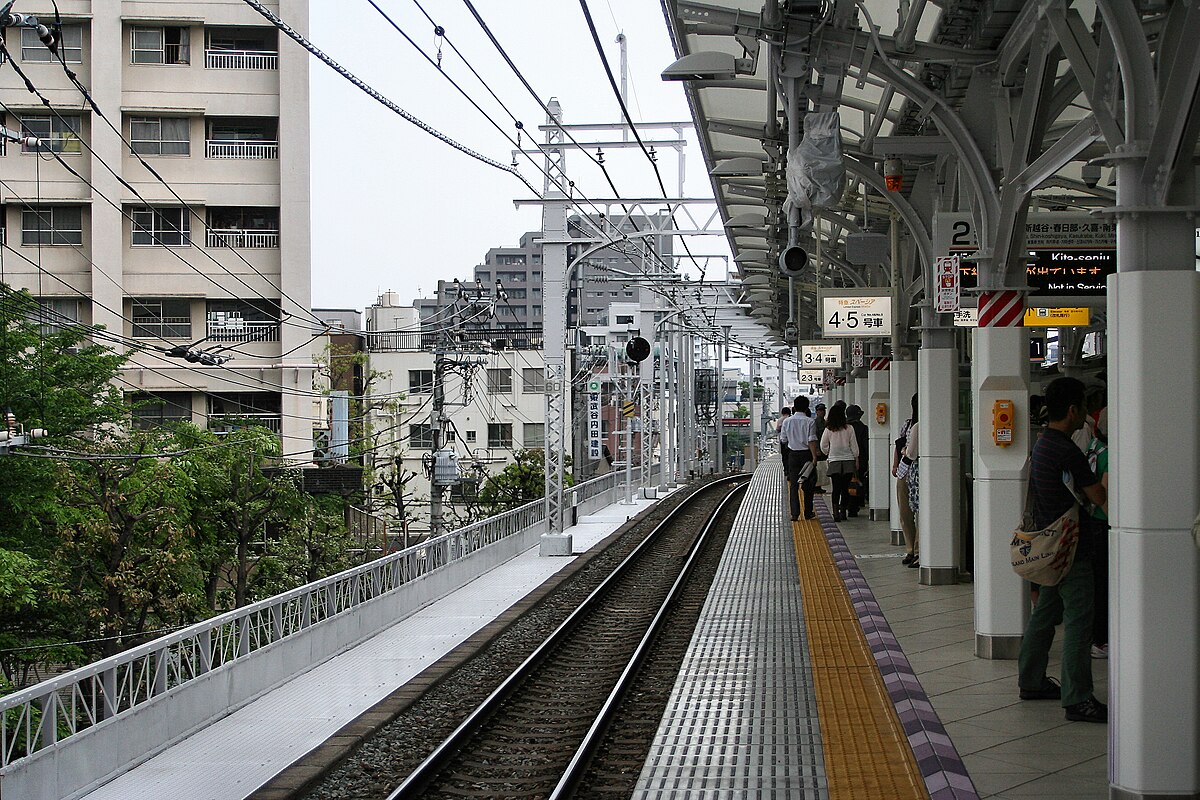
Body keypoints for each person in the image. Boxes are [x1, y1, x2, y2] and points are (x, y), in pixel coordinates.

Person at [1017, 376, 1108, 724]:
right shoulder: (1068, 450)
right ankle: (1078, 697)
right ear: (1073, 410)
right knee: (1080, 621)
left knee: (1044, 615)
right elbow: (1098, 497)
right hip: (1072, 548)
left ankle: (1031, 680)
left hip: (1048, 545)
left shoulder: (1043, 444)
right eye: (1084, 406)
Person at [1084, 407, 1110, 659]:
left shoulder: (1094, 446)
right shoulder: (1110, 455)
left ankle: (1096, 637)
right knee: (1104, 586)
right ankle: (1101, 640)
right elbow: (1105, 495)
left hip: (1092, 521)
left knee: (1097, 585)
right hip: (1103, 524)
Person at [780, 396, 819, 521]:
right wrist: (814, 457)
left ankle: (795, 514)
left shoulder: (787, 421)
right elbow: (811, 440)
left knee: (793, 485)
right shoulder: (810, 422)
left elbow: (783, 439)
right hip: (806, 455)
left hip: (793, 455)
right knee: (808, 485)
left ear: (795, 407)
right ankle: (808, 512)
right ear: (807, 407)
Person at [821, 404, 859, 522]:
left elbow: (823, 445)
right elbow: (854, 446)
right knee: (845, 488)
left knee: (836, 488)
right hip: (848, 461)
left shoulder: (828, 429)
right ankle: (843, 512)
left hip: (834, 461)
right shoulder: (849, 428)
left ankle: (835, 513)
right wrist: (856, 457)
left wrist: (829, 453)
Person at [892, 393, 919, 567]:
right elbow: (899, 445)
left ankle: (919, 551)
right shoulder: (908, 424)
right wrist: (895, 465)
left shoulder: (922, 425)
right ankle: (910, 549)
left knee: (919, 512)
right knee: (904, 512)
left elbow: (910, 452)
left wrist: (904, 453)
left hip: (917, 472)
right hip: (904, 471)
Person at [846, 405, 869, 517]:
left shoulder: (843, 427)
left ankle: (845, 505)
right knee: (857, 482)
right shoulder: (863, 428)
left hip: (844, 459)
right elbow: (865, 446)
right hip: (860, 459)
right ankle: (854, 507)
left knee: (845, 483)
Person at [813, 403, 828, 494]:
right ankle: (816, 486)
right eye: (821, 410)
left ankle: (819, 485)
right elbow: (815, 436)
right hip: (819, 449)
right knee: (818, 468)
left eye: (823, 410)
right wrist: (817, 449)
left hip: (823, 448)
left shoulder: (825, 422)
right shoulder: (815, 422)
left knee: (821, 468)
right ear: (817, 412)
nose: (823, 412)